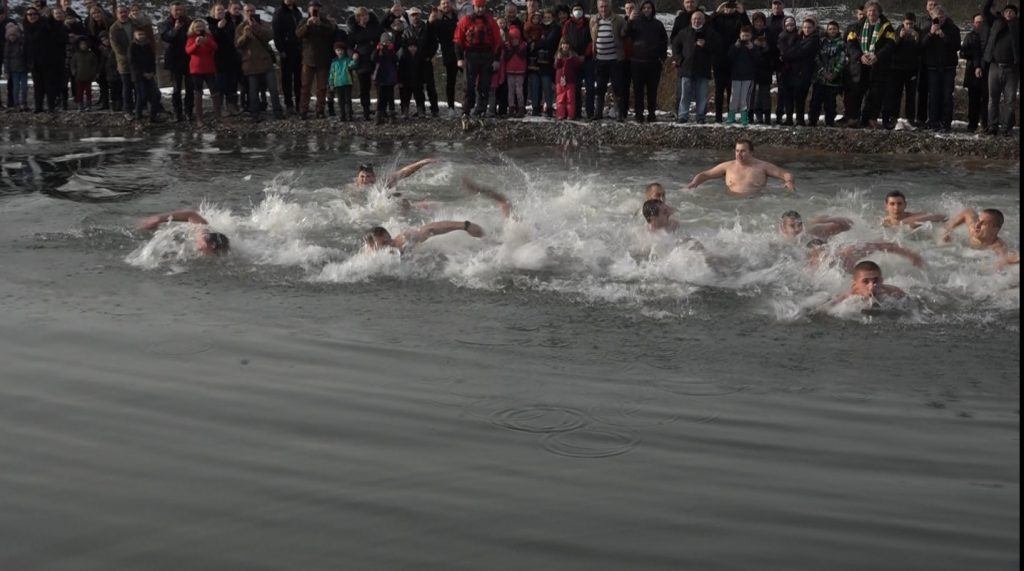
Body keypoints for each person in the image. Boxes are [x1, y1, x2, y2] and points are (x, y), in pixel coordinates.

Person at [844, 1, 895, 129]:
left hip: (878, 65)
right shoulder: (856, 26)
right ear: (866, 12)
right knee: (856, 93)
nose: (872, 13)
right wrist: (860, 56)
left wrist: (877, 56)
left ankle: (871, 119)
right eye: (870, 10)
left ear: (879, 12)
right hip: (860, 65)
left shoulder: (887, 27)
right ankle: (854, 118)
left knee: (875, 94)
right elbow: (850, 45)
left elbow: (890, 44)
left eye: (875, 11)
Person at [688, 139, 796, 195]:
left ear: (751, 152)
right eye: (737, 151)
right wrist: (695, 182)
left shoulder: (762, 166)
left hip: (755, 203)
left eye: (743, 151)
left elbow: (785, 174)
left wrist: (789, 182)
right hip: (730, 202)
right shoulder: (727, 166)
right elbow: (706, 174)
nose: (739, 154)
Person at [454, 0, 503, 119]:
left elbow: (498, 42)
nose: (480, 9)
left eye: (483, 7)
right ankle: (466, 110)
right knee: (469, 85)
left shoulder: (491, 21)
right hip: (471, 55)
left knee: (484, 85)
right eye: (478, 7)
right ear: (474, 6)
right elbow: (457, 40)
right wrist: (459, 58)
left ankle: (481, 110)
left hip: (487, 56)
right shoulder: (465, 20)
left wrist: (496, 60)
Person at [236, 3, 284, 121]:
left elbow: (269, 36)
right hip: (250, 63)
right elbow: (238, 44)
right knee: (253, 90)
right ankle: (255, 114)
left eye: (252, 10)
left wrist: (256, 27)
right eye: (247, 11)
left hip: (265, 61)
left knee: (273, 89)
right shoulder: (240, 27)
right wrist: (245, 36)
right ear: (244, 12)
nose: (250, 13)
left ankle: (277, 113)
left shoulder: (262, 23)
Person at [624, 0, 666, 123]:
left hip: (654, 63)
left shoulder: (658, 24)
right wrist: (630, 21)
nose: (647, 10)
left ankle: (652, 113)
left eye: (649, 8)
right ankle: (639, 114)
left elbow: (664, 41)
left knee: (652, 90)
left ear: (652, 10)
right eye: (644, 8)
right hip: (637, 62)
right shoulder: (635, 23)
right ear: (641, 10)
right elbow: (625, 33)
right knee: (638, 90)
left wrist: (662, 57)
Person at [921, 5, 959, 132]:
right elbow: (922, 45)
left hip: (948, 67)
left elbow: (956, 46)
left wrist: (943, 36)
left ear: (945, 17)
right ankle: (933, 122)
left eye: (942, 17)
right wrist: (931, 34)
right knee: (933, 96)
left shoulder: (953, 29)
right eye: (937, 17)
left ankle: (946, 123)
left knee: (947, 95)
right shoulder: (927, 28)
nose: (940, 20)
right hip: (932, 67)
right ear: (932, 17)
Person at [296, 0, 336, 119]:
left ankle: (320, 110)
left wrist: (320, 25)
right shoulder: (304, 21)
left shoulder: (325, 22)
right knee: (305, 86)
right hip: (308, 59)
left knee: (322, 88)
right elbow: (298, 34)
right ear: (308, 9)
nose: (315, 10)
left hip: (323, 60)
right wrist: (308, 25)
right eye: (313, 8)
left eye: (317, 8)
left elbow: (331, 32)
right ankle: (303, 110)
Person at [983, 3, 1018, 136]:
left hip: (1012, 69)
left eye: (1011, 11)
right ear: (1003, 13)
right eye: (1006, 11)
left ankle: (1006, 128)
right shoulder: (997, 22)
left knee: (1010, 99)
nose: (1008, 13)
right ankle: (992, 126)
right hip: (995, 66)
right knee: (993, 99)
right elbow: (985, 11)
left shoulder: (1017, 25)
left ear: (1015, 14)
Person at [673, 10, 714, 124]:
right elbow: (675, 47)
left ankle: (700, 116)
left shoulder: (710, 33)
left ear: (703, 20)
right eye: (695, 19)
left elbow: (716, 49)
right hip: (686, 68)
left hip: (703, 69)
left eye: (699, 19)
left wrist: (705, 45)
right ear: (691, 20)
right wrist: (680, 60)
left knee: (702, 95)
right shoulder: (683, 32)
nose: (697, 21)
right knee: (685, 95)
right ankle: (683, 115)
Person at [589, 0, 626, 121]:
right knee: (600, 88)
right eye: (601, 7)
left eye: (606, 6)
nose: (603, 9)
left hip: (615, 59)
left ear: (610, 6)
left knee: (618, 88)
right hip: (600, 59)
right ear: (598, 7)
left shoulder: (619, 20)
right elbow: (593, 36)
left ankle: (620, 114)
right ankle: (598, 112)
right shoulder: (594, 20)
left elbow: (624, 35)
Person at [136, 210, 231, 256]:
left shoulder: (221, 254)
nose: (200, 248)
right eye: (204, 244)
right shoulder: (202, 233)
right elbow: (192, 214)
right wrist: (158, 219)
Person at [884, 12, 920, 129]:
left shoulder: (918, 32)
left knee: (911, 95)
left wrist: (917, 39)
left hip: (912, 69)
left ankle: (911, 118)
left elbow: (922, 50)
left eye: (911, 24)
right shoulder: (896, 31)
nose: (909, 26)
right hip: (897, 68)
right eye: (907, 24)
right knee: (895, 94)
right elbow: (891, 47)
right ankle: (893, 117)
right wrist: (899, 37)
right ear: (903, 23)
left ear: (915, 23)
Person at [159, 1, 193, 122]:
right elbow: (166, 38)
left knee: (190, 87)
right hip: (174, 60)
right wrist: (175, 29)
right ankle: (177, 112)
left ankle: (189, 111)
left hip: (189, 59)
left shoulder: (189, 22)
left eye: (180, 10)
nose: (178, 12)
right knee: (176, 88)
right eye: (176, 10)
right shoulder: (164, 24)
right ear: (171, 11)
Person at [943, 208, 1016, 263]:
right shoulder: (973, 230)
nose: (977, 225)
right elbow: (968, 212)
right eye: (978, 220)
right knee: (942, 218)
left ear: (995, 229)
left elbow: (1004, 261)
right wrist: (948, 230)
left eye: (983, 223)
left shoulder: (997, 246)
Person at [808, 20, 845, 127]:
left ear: (838, 30)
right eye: (830, 29)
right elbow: (816, 57)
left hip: (833, 79)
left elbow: (842, 60)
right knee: (815, 101)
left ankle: (829, 121)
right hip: (819, 77)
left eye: (834, 29)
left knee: (830, 103)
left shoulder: (841, 43)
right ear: (827, 30)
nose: (832, 31)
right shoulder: (821, 41)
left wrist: (834, 73)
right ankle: (812, 120)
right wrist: (822, 71)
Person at [807, 239, 922, 272]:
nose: (821, 259)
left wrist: (910, 255)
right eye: (814, 258)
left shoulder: (847, 252)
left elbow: (881, 244)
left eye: (823, 255)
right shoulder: (808, 269)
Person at [364, 220, 485, 252]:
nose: (382, 250)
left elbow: (430, 228)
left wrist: (464, 225)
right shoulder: (371, 254)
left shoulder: (404, 240)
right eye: (377, 247)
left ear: (388, 237)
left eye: (384, 244)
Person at [348, 7, 382, 121]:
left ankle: (380, 110)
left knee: (379, 85)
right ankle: (366, 110)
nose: (364, 17)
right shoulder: (354, 30)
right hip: (362, 60)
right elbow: (349, 46)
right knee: (364, 87)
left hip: (376, 58)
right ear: (357, 18)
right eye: (362, 15)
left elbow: (382, 39)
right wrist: (352, 54)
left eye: (366, 15)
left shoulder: (375, 27)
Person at [561, 1, 593, 120]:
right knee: (575, 87)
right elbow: (565, 40)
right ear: (572, 12)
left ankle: (590, 112)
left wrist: (585, 54)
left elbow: (592, 40)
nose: (577, 11)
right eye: (575, 9)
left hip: (588, 59)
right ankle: (577, 112)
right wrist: (573, 54)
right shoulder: (568, 24)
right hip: (573, 60)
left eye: (579, 9)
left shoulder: (588, 23)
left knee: (590, 87)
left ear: (583, 11)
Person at [185, 19, 221, 123]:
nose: (199, 29)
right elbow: (188, 51)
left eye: (201, 27)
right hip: (196, 69)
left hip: (209, 68)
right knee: (198, 93)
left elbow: (215, 47)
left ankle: (218, 115)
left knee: (214, 91)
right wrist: (196, 44)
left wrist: (207, 42)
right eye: (197, 27)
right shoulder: (191, 38)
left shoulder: (209, 37)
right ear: (193, 28)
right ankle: (199, 118)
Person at [828, 260, 907, 306]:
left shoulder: (892, 291)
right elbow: (824, 309)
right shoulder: (846, 299)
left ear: (882, 281)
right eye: (865, 281)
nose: (872, 286)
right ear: (855, 284)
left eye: (876, 280)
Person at [273, 0, 304, 115]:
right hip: (286, 49)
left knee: (298, 78)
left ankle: (299, 103)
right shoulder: (279, 13)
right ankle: (289, 104)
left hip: (298, 49)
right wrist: (280, 49)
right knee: (286, 78)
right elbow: (276, 33)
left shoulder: (297, 12)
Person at [727, 24, 761, 125]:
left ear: (750, 36)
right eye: (743, 36)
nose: (745, 38)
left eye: (747, 36)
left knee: (745, 98)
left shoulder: (754, 47)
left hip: (748, 77)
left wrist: (752, 49)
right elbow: (729, 58)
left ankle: (744, 117)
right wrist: (735, 48)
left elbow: (758, 60)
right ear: (740, 35)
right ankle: (731, 116)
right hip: (736, 76)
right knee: (734, 97)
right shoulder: (734, 46)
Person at [960, 13, 988, 132]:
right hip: (972, 71)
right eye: (977, 22)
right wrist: (975, 54)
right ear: (973, 23)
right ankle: (972, 124)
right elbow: (962, 53)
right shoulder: (970, 36)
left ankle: (985, 124)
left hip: (987, 71)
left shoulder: (989, 36)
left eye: (981, 22)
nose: (979, 24)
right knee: (973, 100)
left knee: (985, 99)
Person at [129, 27, 160, 122]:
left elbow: (152, 60)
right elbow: (132, 63)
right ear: (135, 35)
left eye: (143, 34)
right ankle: (138, 116)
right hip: (138, 76)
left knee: (156, 94)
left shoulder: (148, 45)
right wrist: (143, 73)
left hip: (150, 74)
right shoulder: (132, 47)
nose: (141, 36)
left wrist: (152, 72)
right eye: (139, 34)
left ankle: (153, 116)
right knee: (141, 96)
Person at [354, 158, 436, 188]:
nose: (364, 180)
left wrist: (423, 162)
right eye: (362, 176)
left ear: (374, 177)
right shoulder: (353, 188)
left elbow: (404, 171)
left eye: (368, 176)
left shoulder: (383, 182)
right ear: (357, 177)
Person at [880, 191, 945, 227]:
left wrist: (915, 220)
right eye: (892, 204)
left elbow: (943, 217)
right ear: (886, 206)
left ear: (905, 205)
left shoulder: (913, 217)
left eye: (899, 204)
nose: (896, 207)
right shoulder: (885, 222)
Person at [554, 37, 582, 120]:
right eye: (563, 44)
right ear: (561, 45)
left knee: (570, 98)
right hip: (560, 80)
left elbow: (578, 65)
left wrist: (572, 59)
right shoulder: (558, 55)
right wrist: (559, 59)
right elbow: (556, 66)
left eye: (567, 44)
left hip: (570, 80)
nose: (565, 46)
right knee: (560, 98)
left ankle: (571, 115)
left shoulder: (573, 55)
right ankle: (560, 114)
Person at [328, 41, 356, 121]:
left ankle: (349, 114)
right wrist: (331, 83)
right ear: (335, 51)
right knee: (341, 101)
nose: (340, 52)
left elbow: (352, 65)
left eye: (341, 50)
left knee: (348, 99)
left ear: (344, 51)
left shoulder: (347, 60)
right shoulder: (334, 62)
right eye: (338, 50)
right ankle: (342, 115)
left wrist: (355, 60)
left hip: (347, 82)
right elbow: (331, 73)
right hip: (338, 84)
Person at [779, 211, 852, 239]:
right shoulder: (777, 240)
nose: (797, 229)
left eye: (800, 224)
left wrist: (826, 220)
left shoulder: (812, 232)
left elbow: (848, 223)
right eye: (792, 226)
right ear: (784, 228)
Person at [70, 37, 98, 111]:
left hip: (88, 76)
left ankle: (89, 105)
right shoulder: (76, 55)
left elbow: (95, 64)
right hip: (79, 76)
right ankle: (80, 105)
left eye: (84, 44)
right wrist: (74, 72)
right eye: (81, 44)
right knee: (79, 92)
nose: (83, 46)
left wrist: (94, 72)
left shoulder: (91, 54)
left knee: (88, 91)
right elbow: (73, 64)